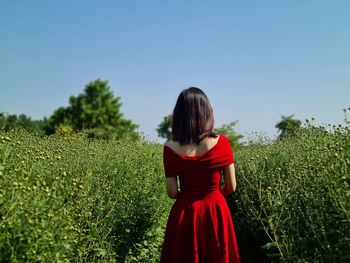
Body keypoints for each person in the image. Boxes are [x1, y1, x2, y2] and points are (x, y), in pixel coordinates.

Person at [160, 87, 240, 263]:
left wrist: (188, 194)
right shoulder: (222, 142)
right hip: (215, 210)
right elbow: (231, 186)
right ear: (206, 112)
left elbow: (172, 192)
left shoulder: (170, 147)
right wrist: (213, 194)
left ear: (179, 115)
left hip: (185, 213)